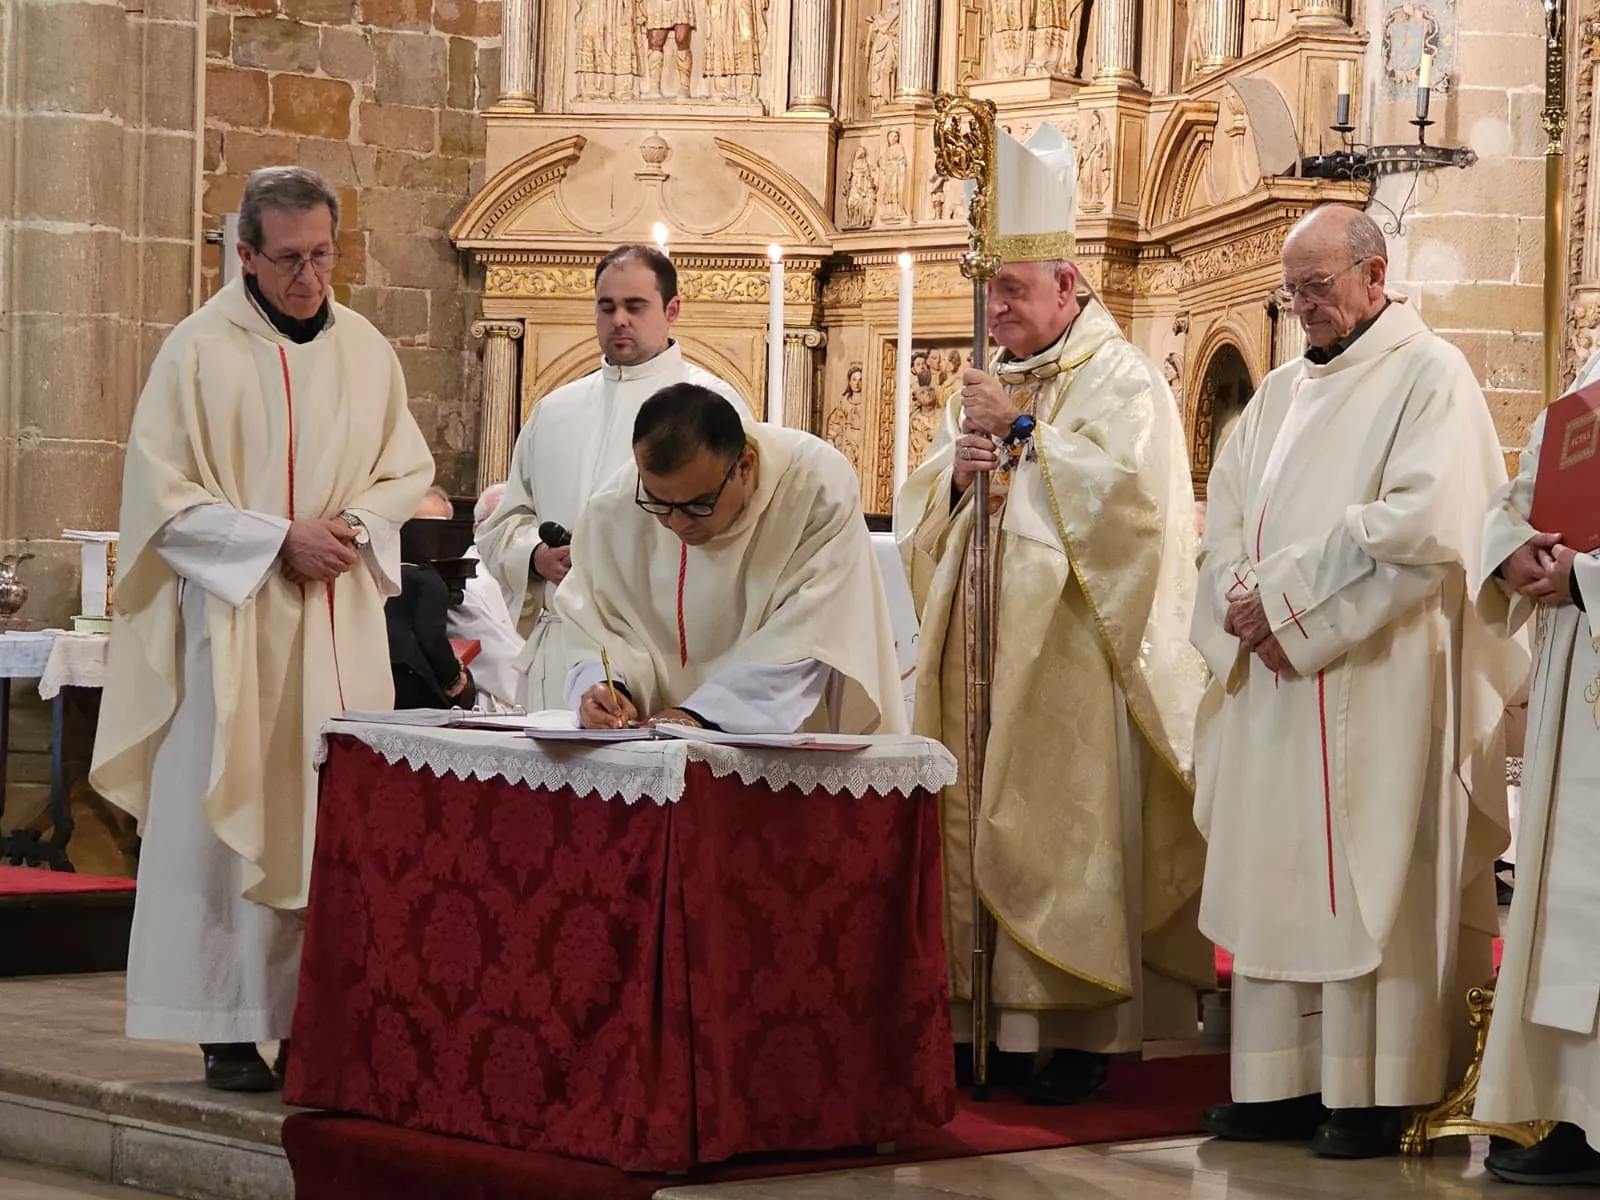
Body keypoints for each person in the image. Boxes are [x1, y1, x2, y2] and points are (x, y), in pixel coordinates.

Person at [1191, 204, 1526, 1158]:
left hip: (1380, 675)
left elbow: (1426, 528)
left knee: (1372, 868)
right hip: (1277, 679)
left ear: (1376, 277)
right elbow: (1224, 517)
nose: (1304, 309)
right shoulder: (1280, 392)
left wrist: (1287, 606)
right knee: (1276, 870)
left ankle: (1378, 1091)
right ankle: (1278, 1084)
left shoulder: (1433, 377)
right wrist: (1239, 600)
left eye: (1320, 288)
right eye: (1292, 292)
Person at [89, 166, 433, 1091]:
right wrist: (276, 539)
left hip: (338, 626)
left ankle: (317, 1023)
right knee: (227, 812)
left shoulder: (365, 350)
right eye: (288, 258)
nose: (309, 276)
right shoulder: (196, 351)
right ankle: (229, 1024)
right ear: (244, 253)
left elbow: (407, 468)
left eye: (323, 255)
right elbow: (159, 500)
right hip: (233, 627)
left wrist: (353, 529)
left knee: (329, 819)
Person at [896, 123, 1211, 1106]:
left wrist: (1025, 439)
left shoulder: (1118, 378)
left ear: (1068, 287)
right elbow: (925, 505)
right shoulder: (989, 381)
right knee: (965, 814)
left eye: (1013, 293)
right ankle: (971, 1012)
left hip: (1072, 648)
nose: (995, 309)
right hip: (976, 633)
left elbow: (1134, 504)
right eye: (991, 292)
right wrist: (954, 476)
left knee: (1067, 828)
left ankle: (1077, 1027)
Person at [476, 245, 749, 711]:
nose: (619, 319)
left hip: (661, 650)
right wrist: (535, 556)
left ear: (672, 310)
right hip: (562, 644)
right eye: (607, 307)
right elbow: (506, 521)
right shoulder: (554, 410)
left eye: (635, 306)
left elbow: (736, 529)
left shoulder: (710, 406)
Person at [557, 382, 904, 736]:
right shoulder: (615, 507)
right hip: (647, 746)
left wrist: (702, 715)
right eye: (659, 504)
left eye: (698, 504)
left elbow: (809, 632)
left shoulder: (813, 488)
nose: (677, 523)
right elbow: (597, 620)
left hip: (782, 741)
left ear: (744, 466)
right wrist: (604, 687)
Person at [1472, 349, 1600, 1185]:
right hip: (1573, 667)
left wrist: (1585, 577)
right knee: (1566, 899)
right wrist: (1512, 550)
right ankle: (1573, 1109)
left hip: (1586, 618)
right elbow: (1531, 476)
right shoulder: (1597, 363)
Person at [389, 488, 477, 710]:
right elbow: (430, 637)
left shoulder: (371, 571)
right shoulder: (425, 578)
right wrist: (454, 678)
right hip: (409, 681)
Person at [447, 482, 525, 709]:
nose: (508, 535)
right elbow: (496, 659)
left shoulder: (535, 573)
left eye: (518, 524)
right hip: (496, 702)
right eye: (498, 523)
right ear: (476, 529)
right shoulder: (461, 585)